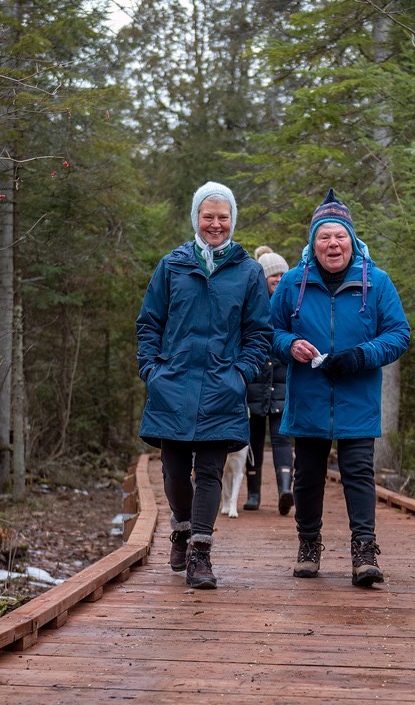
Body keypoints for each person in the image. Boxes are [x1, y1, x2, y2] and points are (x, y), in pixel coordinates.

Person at [270, 188, 410, 587]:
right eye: (324, 238)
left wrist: (361, 355)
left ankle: (364, 551)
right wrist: (289, 345)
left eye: (340, 236)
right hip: (309, 395)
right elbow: (268, 331)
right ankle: (308, 546)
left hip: (357, 396)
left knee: (358, 473)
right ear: (312, 244)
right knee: (308, 475)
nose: (333, 244)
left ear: (353, 239)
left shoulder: (377, 282)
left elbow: (399, 333)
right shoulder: (294, 282)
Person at [136, 181, 272, 589]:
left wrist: (240, 373)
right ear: (196, 218)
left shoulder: (249, 272)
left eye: (223, 217)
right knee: (175, 472)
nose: (216, 224)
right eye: (208, 216)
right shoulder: (172, 265)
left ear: (233, 220)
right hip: (172, 385)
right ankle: (180, 527)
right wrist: (152, 370)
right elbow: (149, 324)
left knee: (210, 472)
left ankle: (200, 553)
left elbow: (259, 334)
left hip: (222, 388)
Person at [243, 246, 294, 516]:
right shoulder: (253, 306)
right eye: (272, 275)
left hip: (283, 383)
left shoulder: (292, 306)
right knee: (253, 439)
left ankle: (286, 489)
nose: (278, 279)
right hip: (254, 384)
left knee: (282, 438)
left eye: (282, 275)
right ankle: (253, 494)